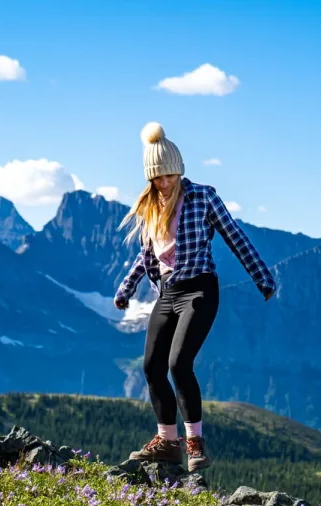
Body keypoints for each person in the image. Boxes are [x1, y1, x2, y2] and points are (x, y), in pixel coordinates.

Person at [114, 122, 276, 472]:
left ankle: (194, 443)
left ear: (180, 169)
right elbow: (147, 255)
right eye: (158, 177)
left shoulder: (203, 197)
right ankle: (167, 442)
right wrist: (126, 289)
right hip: (167, 293)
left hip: (199, 289)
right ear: (150, 177)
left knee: (179, 363)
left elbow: (235, 237)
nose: (165, 182)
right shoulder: (151, 206)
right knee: (152, 367)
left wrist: (262, 277)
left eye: (170, 175)